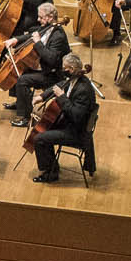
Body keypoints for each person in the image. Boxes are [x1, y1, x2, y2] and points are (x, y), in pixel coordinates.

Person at [28, 53, 99, 182]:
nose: (62, 70)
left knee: (39, 138)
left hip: (76, 132)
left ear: (71, 69)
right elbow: (60, 85)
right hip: (71, 125)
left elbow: (76, 116)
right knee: (42, 127)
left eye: (64, 68)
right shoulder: (75, 79)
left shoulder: (83, 89)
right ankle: (52, 166)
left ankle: (50, 174)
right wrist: (41, 97)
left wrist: (62, 97)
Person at [5, 3, 71, 125]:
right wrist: (15, 40)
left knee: (23, 80)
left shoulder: (58, 36)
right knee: (17, 68)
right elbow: (31, 35)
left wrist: (38, 43)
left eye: (41, 17)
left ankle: (25, 117)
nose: (38, 19)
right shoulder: (47, 27)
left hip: (51, 74)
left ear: (50, 17)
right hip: (42, 67)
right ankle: (21, 103)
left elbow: (51, 59)